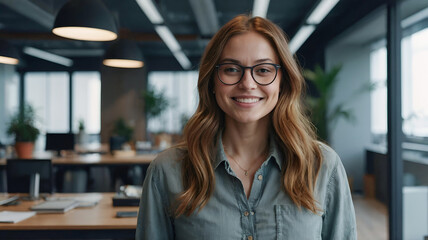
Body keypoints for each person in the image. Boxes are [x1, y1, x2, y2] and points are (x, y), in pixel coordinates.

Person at [136, 14, 357, 239]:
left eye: (263, 70)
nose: (247, 84)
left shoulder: (323, 167)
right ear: (213, 80)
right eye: (231, 69)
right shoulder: (168, 171)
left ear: (283, 82)